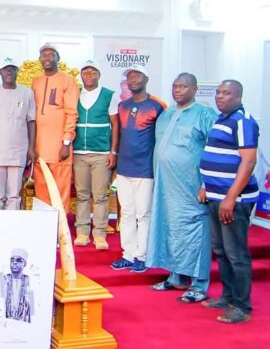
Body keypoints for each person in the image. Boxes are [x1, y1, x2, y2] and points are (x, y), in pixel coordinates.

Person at [147, 73, 216, 302]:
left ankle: (199, 284)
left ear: (195, 89)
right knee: (171, 230)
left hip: (191, 187)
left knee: (195, 231)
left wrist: (207, 184)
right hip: (166, 187)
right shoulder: (165, 115)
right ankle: (176, 277)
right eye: (175, 86)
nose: (178, 90)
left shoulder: (205, 114)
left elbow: (214, 150)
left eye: (183, 86)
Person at [199, 80, 259, 324]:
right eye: (218, 92)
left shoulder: (243, 121)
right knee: (221, 251)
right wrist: (205, 185)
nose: (220, 97)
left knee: (236, 254)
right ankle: (227, 296)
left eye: (226, 93)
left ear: (239, 96)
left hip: (234, 200)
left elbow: (248, 162)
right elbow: (215, 154)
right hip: (214, 196)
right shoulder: (221, 119)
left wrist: (230, 198)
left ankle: (242, 306)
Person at [110, 65, 166, 273]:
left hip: (145, 169)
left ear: (146, 78)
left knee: (143, 214)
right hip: (124, 168)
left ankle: (142, 256)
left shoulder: (158, 106)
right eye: (129, 77)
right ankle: (128, 254)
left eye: (137, 76)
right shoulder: (123, 105)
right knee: (127, 213)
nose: (133, 80)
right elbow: (118, 134)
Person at [0, 57, 36, 211]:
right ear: (0, 72)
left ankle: (12, 231)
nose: (9, 71)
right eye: (5, 68)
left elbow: (31, 121)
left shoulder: (27, 93)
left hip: (19, 151)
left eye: (12, 68)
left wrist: (31, 148)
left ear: (17, 71)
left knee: (14, 196)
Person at [72, 59, 119, 250]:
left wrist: (113, 151)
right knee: (82, 195)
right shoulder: (75, 94)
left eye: (92, 72)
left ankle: (99, 234)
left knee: (100, 196)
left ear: (99, 75)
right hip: (79, 153)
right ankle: (82, 232)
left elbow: (115, 124)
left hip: (101, 153)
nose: (89, 76)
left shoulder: (109, 95)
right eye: (85, 72)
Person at [31, 43, 79, 210]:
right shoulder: (36, 82)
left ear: (58, 58)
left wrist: (66, 143)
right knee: (42, 192)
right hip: (39, 149)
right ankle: (44, 230)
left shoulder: (67, 80)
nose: (47, 58)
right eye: (44, 55)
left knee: (60, 193)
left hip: (60, 149)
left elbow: (72, 113)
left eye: (51, 54)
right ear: (39, 59)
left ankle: (60, 233)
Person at [0, 248, 34, 323]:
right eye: (12, 260)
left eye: (18, 260)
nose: (14, 262)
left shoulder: (29, 282)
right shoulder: (4, 280)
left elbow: (32, 311)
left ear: (24, 264)